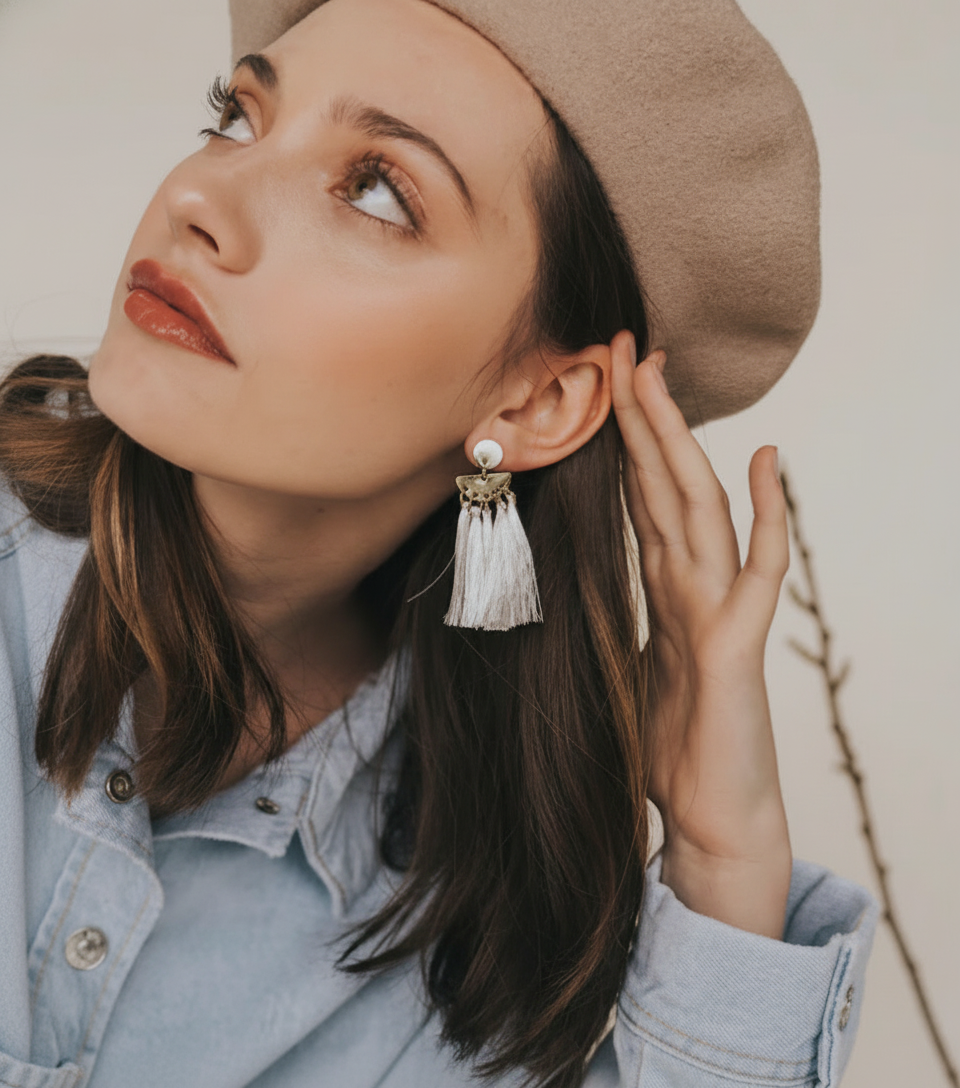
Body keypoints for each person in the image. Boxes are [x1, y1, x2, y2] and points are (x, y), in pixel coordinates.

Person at [0, 0, 879, 1085]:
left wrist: (722, 854)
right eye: (236, 118)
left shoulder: (472, 894)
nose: (196, 197)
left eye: (375, 190)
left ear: (542, 399)